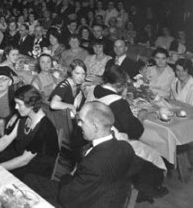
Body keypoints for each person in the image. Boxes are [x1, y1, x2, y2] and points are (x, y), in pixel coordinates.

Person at [24, 101, 135, 208]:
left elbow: (67, 198)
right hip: (101, 195)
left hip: (81, 201)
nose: (78, 124)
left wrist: (67, 177)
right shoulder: (126, 147)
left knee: (27, 187)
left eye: (81, 121)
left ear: (95, 127)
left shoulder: (93, 163)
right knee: (30, 179)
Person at [93, 65, 168, 203]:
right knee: (154, 158)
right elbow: (135, 131)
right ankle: (144, 190)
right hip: (114, 148)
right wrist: (141, 117)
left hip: (96, 138)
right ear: (119, 85)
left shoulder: (95, 91)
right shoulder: (118, 102)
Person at [0, 85, 59, 181]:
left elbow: (24, 160)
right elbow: (6, 139)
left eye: (19, 104)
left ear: (32, 105)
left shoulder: (44, 128)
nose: (16, 107)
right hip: (20, 156)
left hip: (35, 169)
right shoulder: (25, 116)